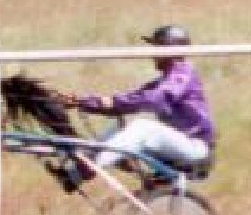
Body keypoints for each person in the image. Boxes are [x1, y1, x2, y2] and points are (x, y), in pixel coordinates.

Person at [52, 25, 216, 192]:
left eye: (156, 48)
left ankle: (86, 168)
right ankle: (74, 173)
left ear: (169, 51)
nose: (152, 54)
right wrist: (81, 102)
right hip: (179, 145)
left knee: (142, 127)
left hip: (195, 148)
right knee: (121, 126)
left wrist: (114, 104)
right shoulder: (164, 81)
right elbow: (127, 101)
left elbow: (155, 99)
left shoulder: (183, 74)